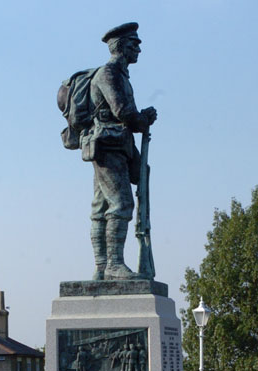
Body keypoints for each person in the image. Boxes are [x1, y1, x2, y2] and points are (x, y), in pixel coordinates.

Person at [84, 22, 158, 280]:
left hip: (117, 145)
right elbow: (122, 112)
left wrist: (140, 119)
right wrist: (142, 119)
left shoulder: (121, 75)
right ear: (121, 46)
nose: (138, 47)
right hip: (109, 146)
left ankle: (102, 268)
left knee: (102, 206)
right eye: (133, 43)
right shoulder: (109, 73)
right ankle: (112, 264)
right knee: (120, 204)